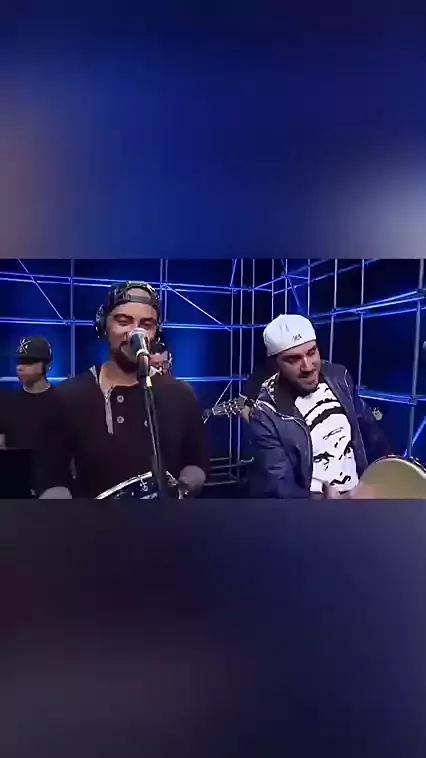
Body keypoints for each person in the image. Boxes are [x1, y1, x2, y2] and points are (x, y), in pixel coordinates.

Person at [34, 281, 209, 499]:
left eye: (146, 324)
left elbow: (196, 464)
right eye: (123, 321)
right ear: (103, 326)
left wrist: (181, 489)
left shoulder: (181, 395)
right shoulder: (68, 396)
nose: (136, 333)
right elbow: (51, 478)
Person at [249, 313, 392, 499]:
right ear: (274, 365)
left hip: (360, 501)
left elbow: (368, 427)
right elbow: (279, 486)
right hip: (313, 512)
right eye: (293, 360)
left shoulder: (338, 377)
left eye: (311, 353)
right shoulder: (265, 413)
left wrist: (391, 466)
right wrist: (321, 500)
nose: (308, 367)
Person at [0, 337, 55, 451]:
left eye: (28, 362)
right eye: (19, 362)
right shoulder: (5, 402)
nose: (19, 367)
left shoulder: (63, 401)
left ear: (47, 365)